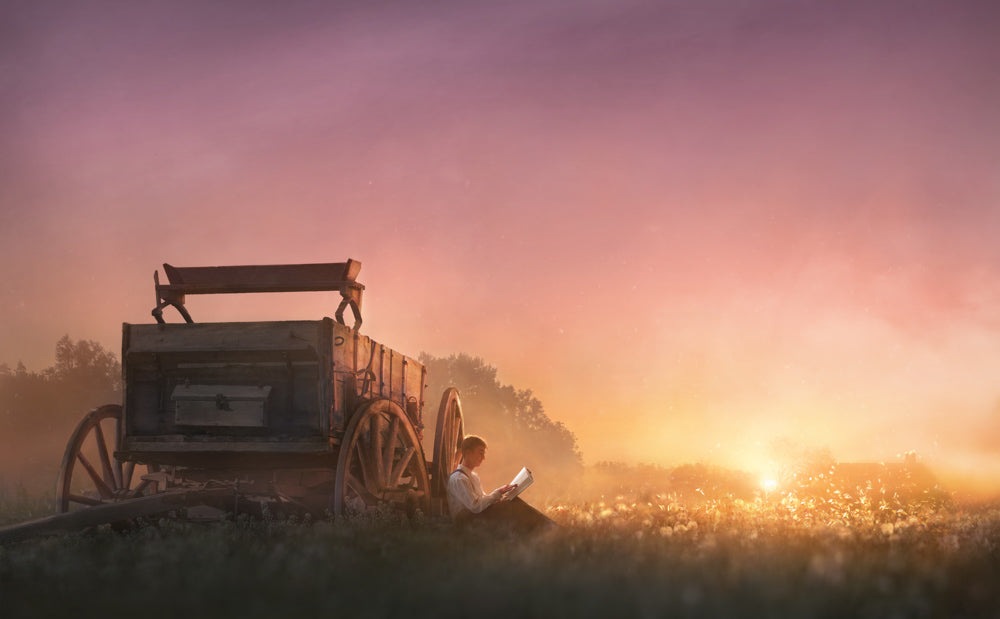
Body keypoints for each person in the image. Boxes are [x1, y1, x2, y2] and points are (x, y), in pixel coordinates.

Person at [446, 435, 555, 533]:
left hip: (477, 516)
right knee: (512, 506)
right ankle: (550, 528)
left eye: (484, 454)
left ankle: (546, 528)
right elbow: (475, 506)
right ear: (468, 453)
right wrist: (498, 493)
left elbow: (482, 499)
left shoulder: (473, 477)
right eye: (480, 453)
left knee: (512, 501)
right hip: (466, 522)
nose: (483, 458)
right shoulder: (459, 479)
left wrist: (499, 497)